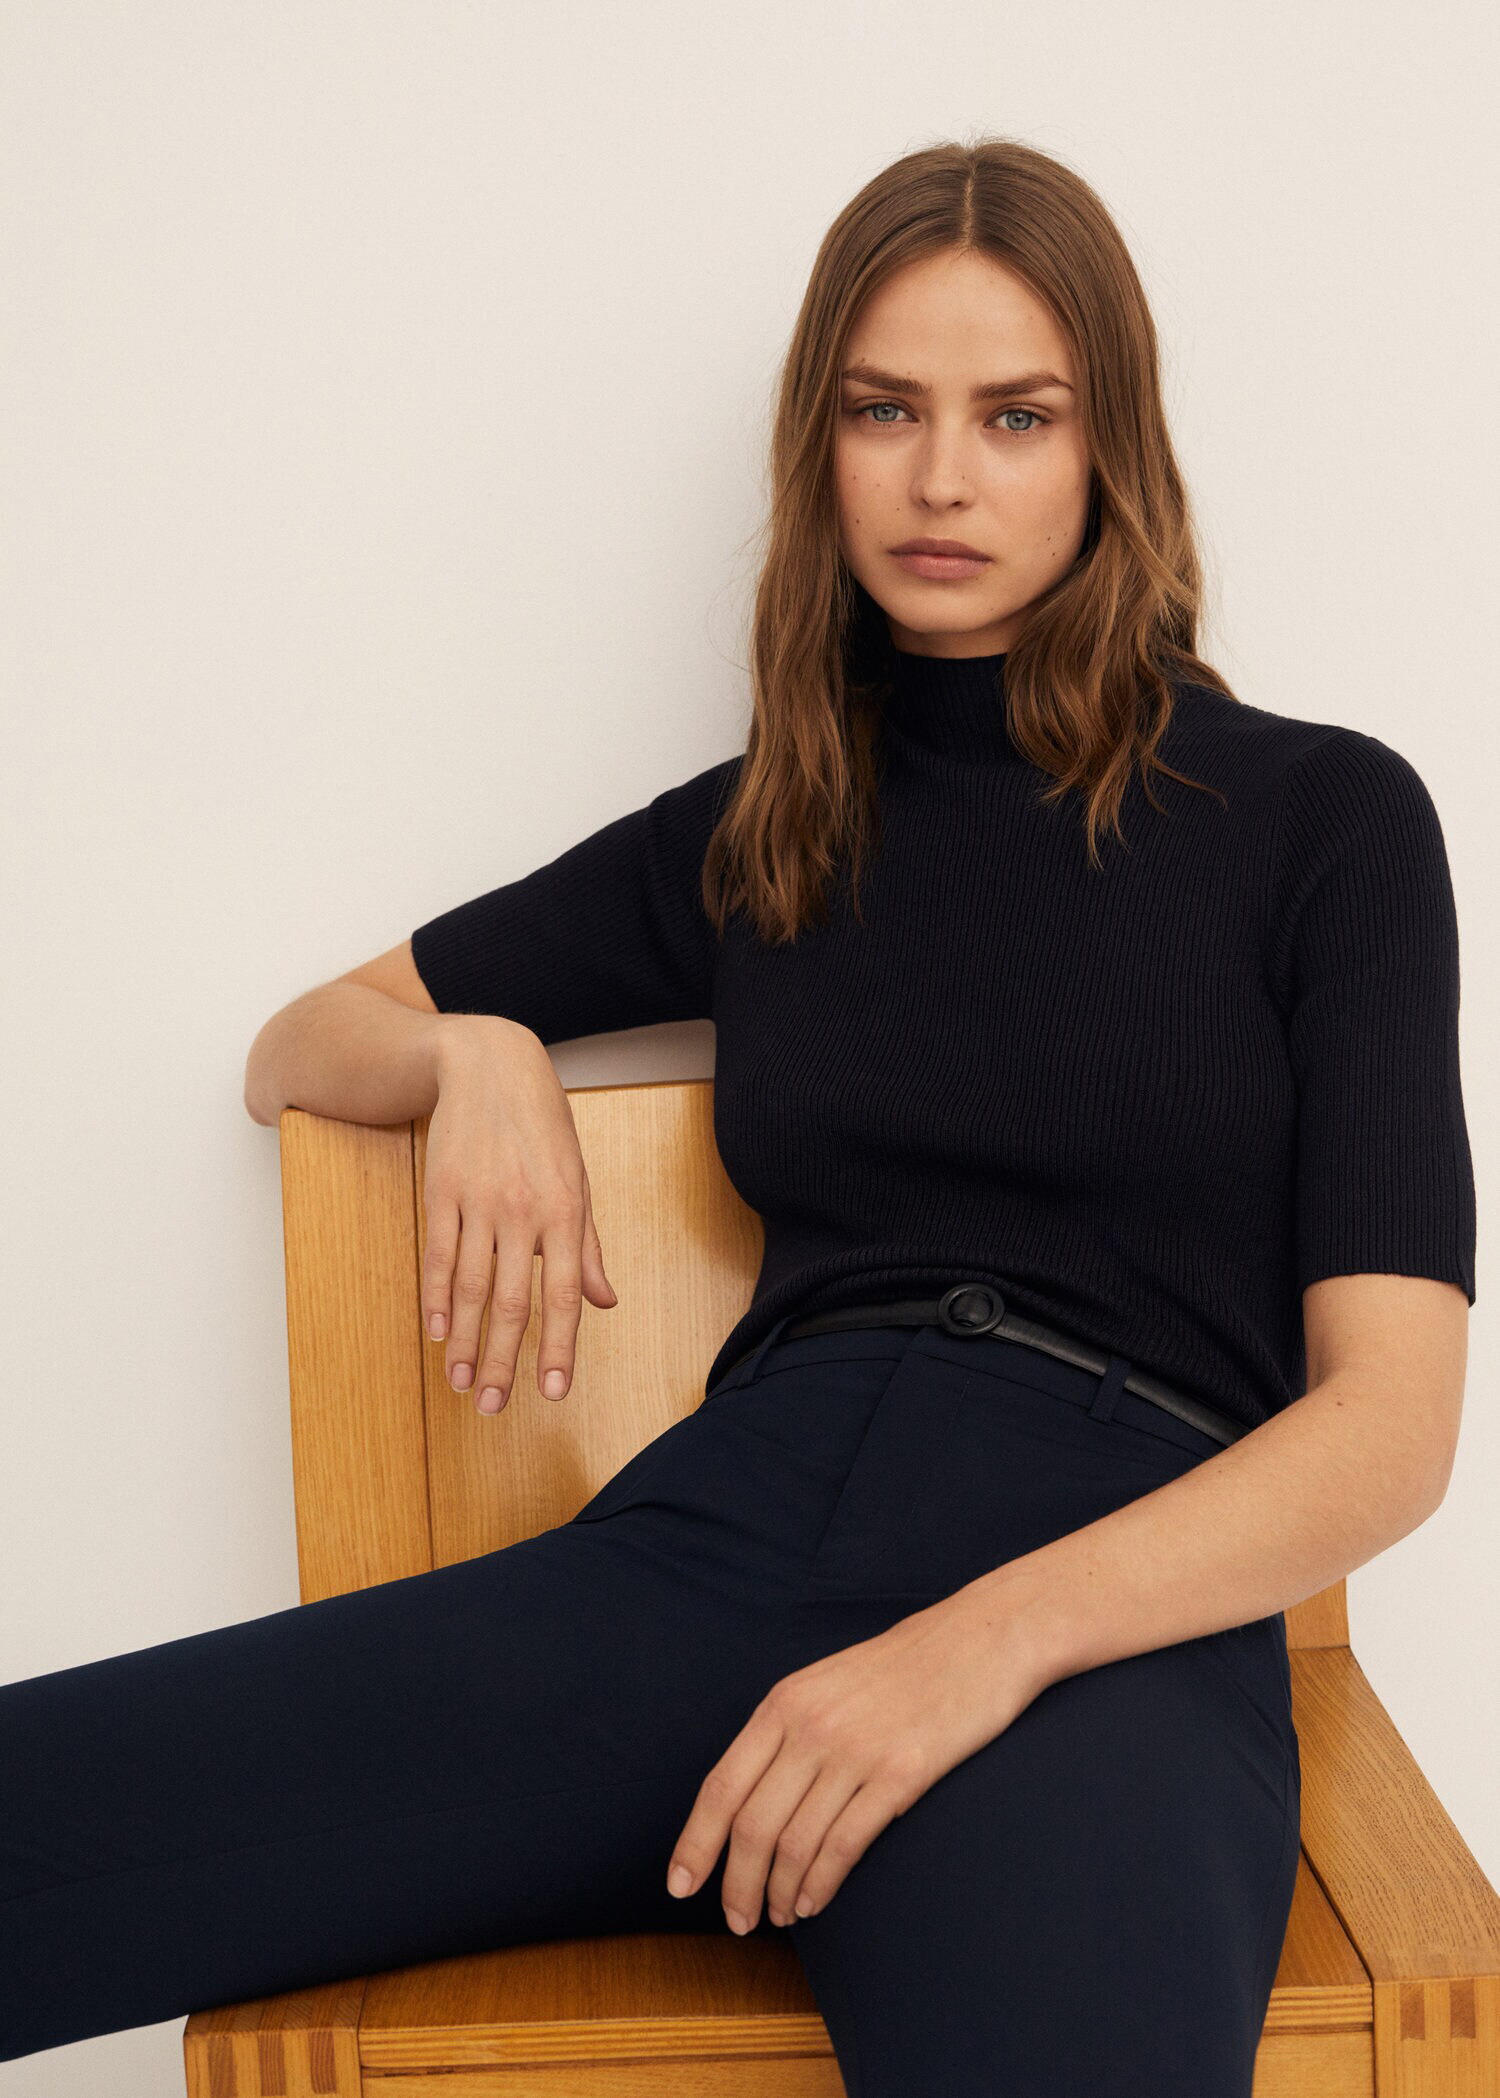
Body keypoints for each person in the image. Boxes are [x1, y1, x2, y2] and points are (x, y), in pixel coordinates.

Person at [0, 137, 1476, 2094]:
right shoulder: (772, 829)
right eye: (884, 409)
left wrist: (977, 1641)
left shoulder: (1325, 820)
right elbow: (305, 1040)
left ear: (1111, 449)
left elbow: (1391, 1427)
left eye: (1015, 415)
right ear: (821, 443)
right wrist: (476, 1054)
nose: (940, 478)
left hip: (1102, 1609)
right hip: (724, 1550)